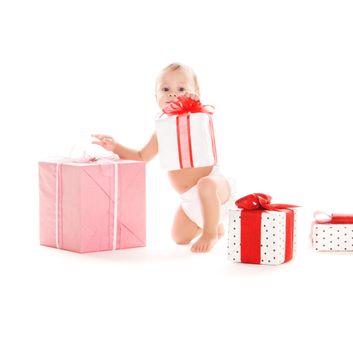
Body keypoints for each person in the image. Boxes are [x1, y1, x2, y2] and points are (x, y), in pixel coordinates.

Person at [92, 63, 234, 253]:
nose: (172, 94)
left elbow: (200, 116)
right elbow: (141, 157)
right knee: (179, 238)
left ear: (195, 92)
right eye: (165, 89)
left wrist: (195, 103)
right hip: (189, 201)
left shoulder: (196, 117)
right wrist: (115, 147)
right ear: (156, 97)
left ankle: (210, 233)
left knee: (205, 184)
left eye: (181, 89)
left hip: (215, 190)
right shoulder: (162, 132)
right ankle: (214, 224)